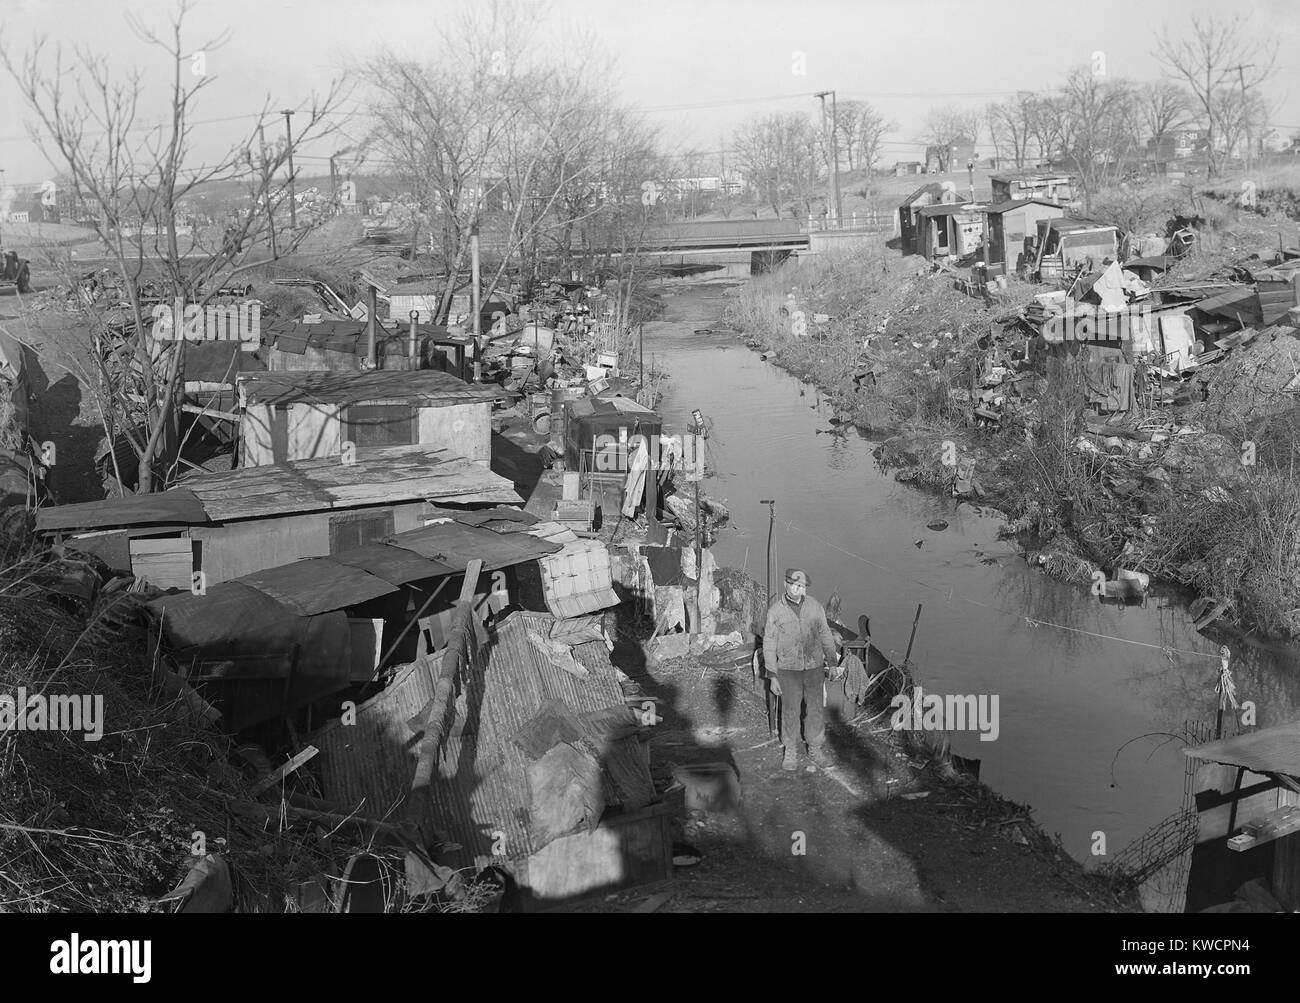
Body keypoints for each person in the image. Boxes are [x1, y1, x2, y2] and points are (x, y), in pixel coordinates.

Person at [762, 568, 843, 772]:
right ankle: (790, 751)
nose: (797, 589)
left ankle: (815, 748)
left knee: (815, 709)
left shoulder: (815, 607)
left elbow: (825, 634)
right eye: (794, 584)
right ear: (785, 584)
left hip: (814, 667)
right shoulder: (775, 612)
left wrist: (832, 662)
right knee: (790, 710)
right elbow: (769, 645)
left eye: (801, 586)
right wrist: (772, 675)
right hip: (788, 670)